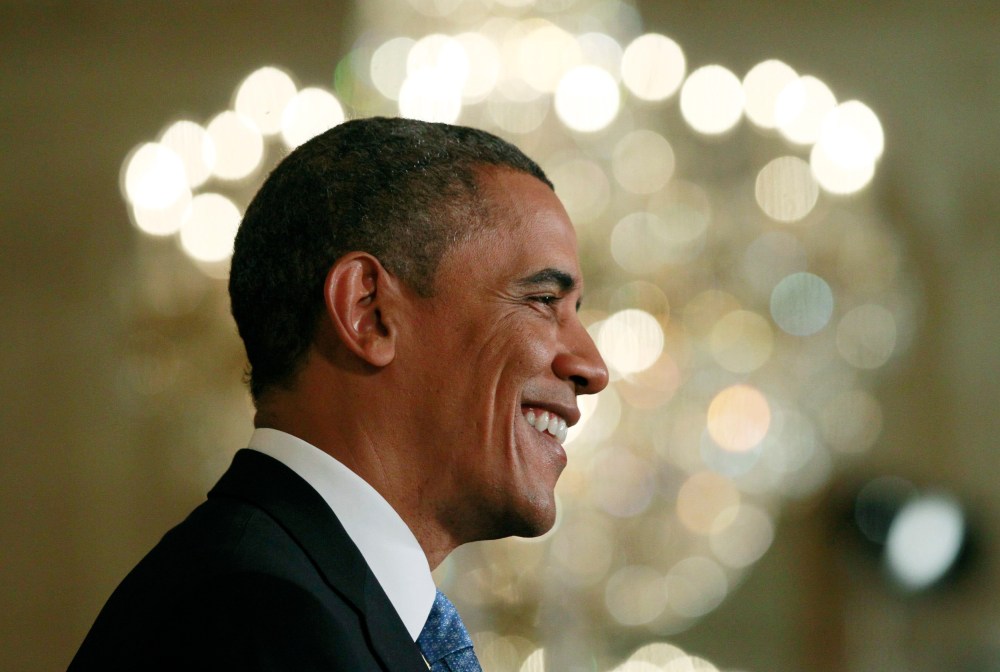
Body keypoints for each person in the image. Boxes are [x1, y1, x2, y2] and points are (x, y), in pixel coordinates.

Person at [69, 117, 609, 670]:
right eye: (544, 300)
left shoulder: (294, 597)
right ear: (368, 312)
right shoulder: (252, 623)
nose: (593, 367)